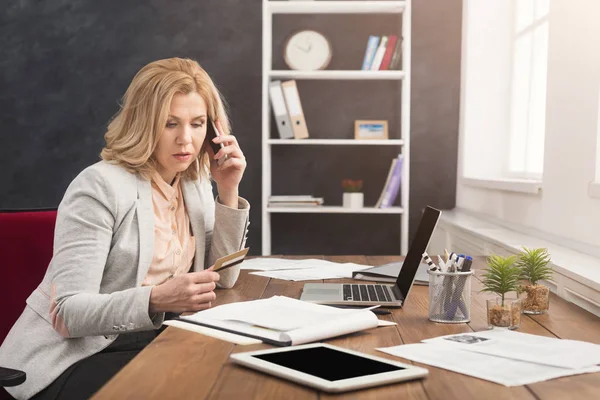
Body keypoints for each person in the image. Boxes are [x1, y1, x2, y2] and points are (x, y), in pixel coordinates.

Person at [0, 57, 249, 400]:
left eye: (197, 123)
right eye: (170, 123)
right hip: (73, 357)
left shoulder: (193, 183)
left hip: (148, 339)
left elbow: (224, 278)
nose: (186, 140)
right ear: (145, 123)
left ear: (214, 131)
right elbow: (69, 312)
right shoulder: (99, 186)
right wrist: (157, 298)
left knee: (230, 369)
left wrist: (228, 190)